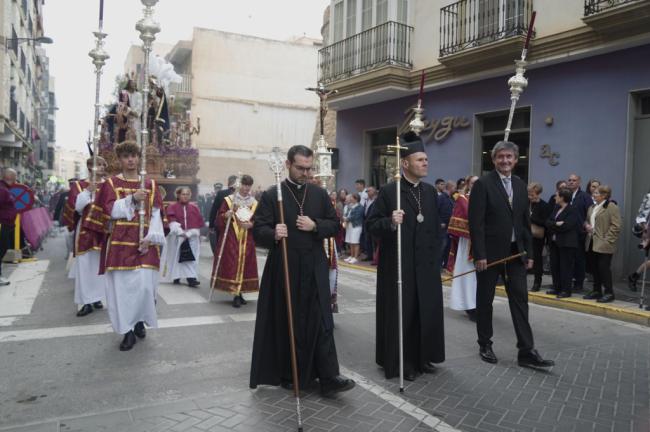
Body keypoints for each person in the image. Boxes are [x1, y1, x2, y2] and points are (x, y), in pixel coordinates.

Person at [250, 145, 354, 396]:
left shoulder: (318, 194)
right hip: (284, 266)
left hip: (314, 265)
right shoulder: (272, 195)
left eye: (309, 168)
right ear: (288, 165)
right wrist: (273, 232)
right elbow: (258, 231)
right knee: (288, 321)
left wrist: (315, 225)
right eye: (301, 168)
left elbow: (334, 225)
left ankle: (329, 376)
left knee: (321, 321)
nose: (306, 173)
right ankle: (289, 374)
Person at [468, 140, 554, 368]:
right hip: (490, 255)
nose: (505, 161)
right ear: (494, 160)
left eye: (509, 157)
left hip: (516, 254)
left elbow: (524, 222)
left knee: (520, 301)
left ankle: (526, 351)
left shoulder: (519, 184)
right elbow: (475, 224)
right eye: (500, 157)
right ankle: (485, 343)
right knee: (485, 301)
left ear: (516, 160)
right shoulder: (483, 185)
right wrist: (480, 255)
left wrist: (530, 253)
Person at [367, 131, 445, 381]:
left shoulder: (431, 192)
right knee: (406, 313)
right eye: (420, 159)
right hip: (400, 266)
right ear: (405, 163)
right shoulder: (390, 192)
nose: (425, 163)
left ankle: (424, 356)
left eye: (426, 159)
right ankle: (404, 362)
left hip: (426, 266)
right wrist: (390, 221)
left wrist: (438, 262)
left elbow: (434, 228)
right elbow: (371, 224)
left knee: (426, 311)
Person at [83, 141, 166, 351]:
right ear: (119, 160)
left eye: (133, 155)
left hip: (145, 244)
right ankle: (126, 331)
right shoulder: (111, 184)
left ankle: (139, 321)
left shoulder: (151, 184)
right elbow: (106, 211)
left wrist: (151, 238)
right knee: (123, 290)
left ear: (139, 158)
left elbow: (156, 213)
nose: (130, 160)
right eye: (126, 156)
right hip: (120, 244)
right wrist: (131, 199)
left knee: (145, 288)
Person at [65, 157, 108, 316]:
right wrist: (88, 190)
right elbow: (77, 208)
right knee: (84, 266)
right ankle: (86, 302)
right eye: (98, 164)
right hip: (85, 229)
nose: (102, 167)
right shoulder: (79, 185)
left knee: (99, 265)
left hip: (103, 229)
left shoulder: (109, 185)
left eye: (104, 165)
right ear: (90, 167)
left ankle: (97, 297)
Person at [212, 174, 259, 308]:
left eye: (248, 185)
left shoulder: (254, 203)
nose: (246, 188)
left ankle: (241, 292)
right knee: (233, 263)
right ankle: (235, 293)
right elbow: (218, 219)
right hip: (231, 237)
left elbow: (259, 219)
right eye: (244, 185)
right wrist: (225, 215)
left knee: (245, 264)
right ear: (239, 185)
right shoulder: (229, 200)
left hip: (247, 238)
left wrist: (252, 224)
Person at [447, 175, 478, 321]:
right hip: (468, 243)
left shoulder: (486, 198)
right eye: (473, 183)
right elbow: (458, 222)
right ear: (468, 184)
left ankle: (479, 304)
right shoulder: (462, 199)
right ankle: (470, 306)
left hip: (483, 242)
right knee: (468, 275)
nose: (476, 185)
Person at [583, 185, 621, 303]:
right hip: (591, 241)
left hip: (604, 244)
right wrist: (587, 226)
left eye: (596, 193)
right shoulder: (592, 207)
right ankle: (596, 290)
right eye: (594, 193)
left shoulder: (611, 206)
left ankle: (609, 292)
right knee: (594, 268)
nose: (593, 195)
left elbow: (616, 226)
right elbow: (587, 220)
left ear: (604, 195)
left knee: (603, 268)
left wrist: (607, 240)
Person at [160, 187, 204, 288]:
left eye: (187, 194)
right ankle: (176, 276)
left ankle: (191, 278)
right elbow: (171, 220)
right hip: (177, 237)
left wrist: (190, 233)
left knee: (191, 257)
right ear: (178, 195)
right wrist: (180, 232)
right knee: (176, 257)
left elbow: (198, 223)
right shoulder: (172, 207)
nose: (185, 196)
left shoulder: (194, 208)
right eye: (183, 194)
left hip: (191, 237)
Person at [545, 188, 579, 298]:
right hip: (554, 242)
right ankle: (557, 287)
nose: (555, 197)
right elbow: (547, 222)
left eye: (557, 196)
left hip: (566, 243)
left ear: (562, 198)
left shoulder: (572, 209)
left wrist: (554, 225)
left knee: (566, 267)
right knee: (555, 266)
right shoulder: (556, 207)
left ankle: (566, 290)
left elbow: (567, 225)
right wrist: (556, 224)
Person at [566, 174, 593, 292]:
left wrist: (586, 225)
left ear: (579, 182)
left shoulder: (584, 196)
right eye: (570, 180)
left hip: (579, 233)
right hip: (566, 232)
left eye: (574, 180)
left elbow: (590, 213)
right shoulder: (565, 195)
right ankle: (568, 281)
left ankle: (578, 283)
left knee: (579, 258)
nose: (571, 182)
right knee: (568, 259)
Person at [528, 182, 552, 292]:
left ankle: (537, 282)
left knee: (537, 260)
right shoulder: (526, 203)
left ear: (538, 194)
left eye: (532, 194)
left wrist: (531, 219)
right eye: (529, 194)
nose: (530, 196)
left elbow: (546, 223)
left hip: (537, 237)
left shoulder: (544, 206)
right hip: (525, 236)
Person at [208, 175, 237, 254]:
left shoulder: (221, 193)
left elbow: (214, 210)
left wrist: (211, 225)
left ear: (228, 183)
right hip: (236, 225)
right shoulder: (241, 195)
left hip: (222, 223)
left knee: (220, 244)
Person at [629, 191, 650, 291]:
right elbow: (641, 214)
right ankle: (634, 276)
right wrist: (644, 227)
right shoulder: (648, 196)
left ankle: (634, 276)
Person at [0, 169, 17, 286]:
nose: (16, 180)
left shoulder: (5, 189)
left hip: (6, 224)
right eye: (15, 177)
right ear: (10, 177)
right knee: (1, 250)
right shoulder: (2, 190)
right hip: (2, 225)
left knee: (3, 250)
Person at [437, 180, 456, 269]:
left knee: (448, 247)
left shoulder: (451, 199)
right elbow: (434, 210)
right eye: (454, 187)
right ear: (450, 187)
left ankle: (445, 266)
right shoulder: (441, 198)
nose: (455, 189)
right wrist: (440, 222)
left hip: (450, 228)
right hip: (442, 228)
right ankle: (438, 266)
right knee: (441, 247)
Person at [342, 193, 364, 264]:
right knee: (351, 242)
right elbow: (347, 213)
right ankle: (351, 256)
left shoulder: (360, 207)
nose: (350, 199)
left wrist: (346, 219)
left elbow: (356, 217)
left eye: (352, 197)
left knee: (355, 242)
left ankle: (355, 257)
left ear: (356, 199)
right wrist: (345, 217)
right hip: (349, 226)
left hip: (356, 226)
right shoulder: (351, 205)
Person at [363, 186, 378, 262]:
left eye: (369, 191)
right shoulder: (367, 201)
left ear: (374, 191)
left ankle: (375, 257)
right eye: (367, 191)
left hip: (373, 223)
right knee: (367, 239)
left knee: (374, 241)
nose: (367, 193)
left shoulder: (377, 200)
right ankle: (369, 255)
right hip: (366, 223)